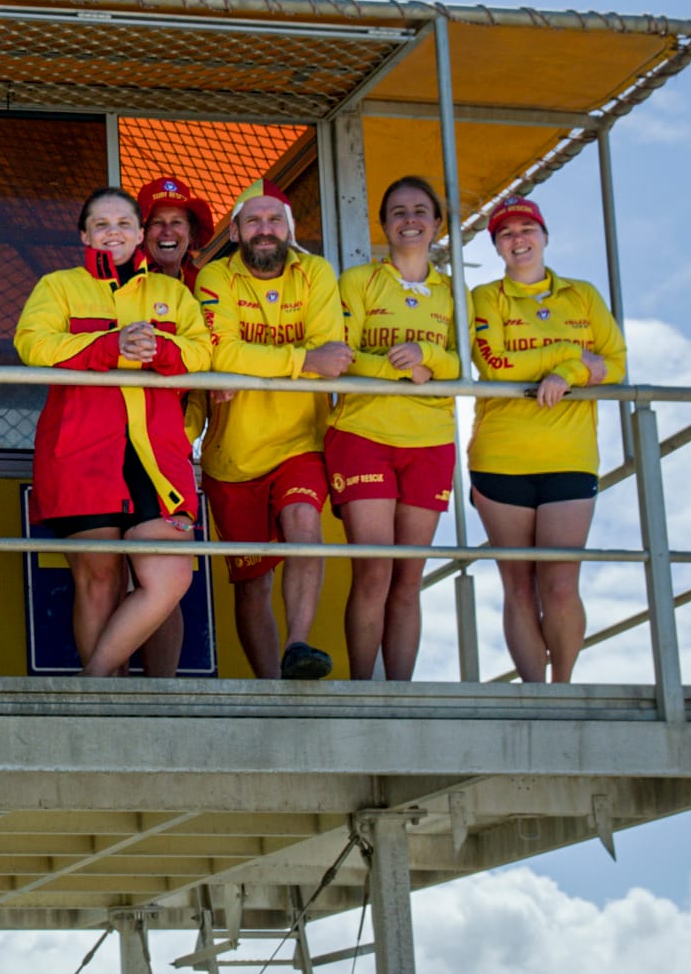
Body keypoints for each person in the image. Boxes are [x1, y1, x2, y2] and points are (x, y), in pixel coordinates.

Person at [14, 187, 207, 676]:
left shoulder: (172, 293)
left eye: (124, 222)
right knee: (98, 580)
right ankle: (106, 703)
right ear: (83, 234)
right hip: (80, 450)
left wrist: (158, 350)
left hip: (156, 453)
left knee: (168, 579)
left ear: (141, 233)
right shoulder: (58, 286)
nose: (113, 231)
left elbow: (204, 354)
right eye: (101, 224)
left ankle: (99, 684)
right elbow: (33, 345)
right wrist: (113, 346)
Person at [469, 195, 626, 684]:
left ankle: (564, 687)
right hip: (501, 458)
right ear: (496, 246)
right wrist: (569, 356)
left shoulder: (582, 295)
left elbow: (616, 363)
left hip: (570, 457)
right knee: (518, 586)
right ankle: (537, 692)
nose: (519, 240)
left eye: (527, 229)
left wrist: (573, 370)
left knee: (560, 584)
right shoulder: (483, 299)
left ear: (545, 236)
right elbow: (494, 363)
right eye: (507, 233)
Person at [198, 178, 350, 680]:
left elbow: (334, 353)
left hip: (300, 441)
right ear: (237, 231)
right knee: (252, 582)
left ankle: (298, 645)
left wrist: (252, 367)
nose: (265, 230)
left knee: (304, 528)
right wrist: (303, 359)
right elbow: (222, 352)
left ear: (290, 227)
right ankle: (269, 685)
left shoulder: (317, 273)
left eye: (274, 219)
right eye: (254, 221)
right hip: (232, 454)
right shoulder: (214, 279)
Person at [326, 176, 459, 681]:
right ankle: (364, 689)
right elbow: (344, 355)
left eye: (421, 211)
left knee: (408, 578)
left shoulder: (455, 294)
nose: (410, 220)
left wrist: (429, 357)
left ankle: (400, 694)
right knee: (375, 569)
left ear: (437, 225)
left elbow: (467, 363)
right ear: (382, 225)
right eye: (398, 212)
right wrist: (404, 370)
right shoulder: (358, 281)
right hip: (363, 435)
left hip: (431, 441)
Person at [134, 175, 216, 677]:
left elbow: (208, 372)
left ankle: (161, 694)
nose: (167, 231)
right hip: (119, 444)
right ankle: (108, 702)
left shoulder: (208, 284)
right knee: (118, 577)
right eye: (157, 222)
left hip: (173, 449)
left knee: (167, 575)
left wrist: (185, 435)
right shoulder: (122, 277)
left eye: (177, 222)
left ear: (192, 232)